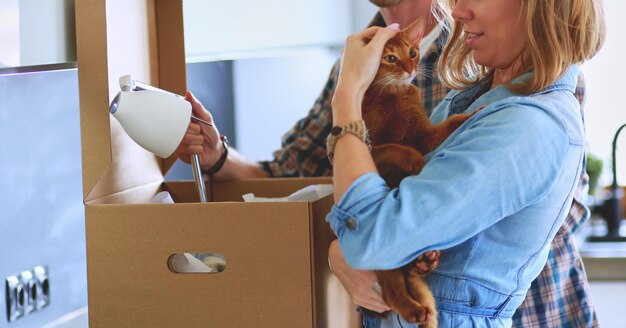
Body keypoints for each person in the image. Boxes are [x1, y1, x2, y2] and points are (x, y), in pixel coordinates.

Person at [175, 0, 601, 326]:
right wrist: (218, 156)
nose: (461, 9)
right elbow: (299, 174)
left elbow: (553, 198)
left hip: (528, 309)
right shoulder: (372, 56)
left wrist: (385, 240)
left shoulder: (520, 90)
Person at [325, 0, 605, 326]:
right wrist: (343, 249)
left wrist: (346, 96)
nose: (456, 13)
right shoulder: (474, 98)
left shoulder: (528, 125)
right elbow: (387, 208)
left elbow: (372, 240)